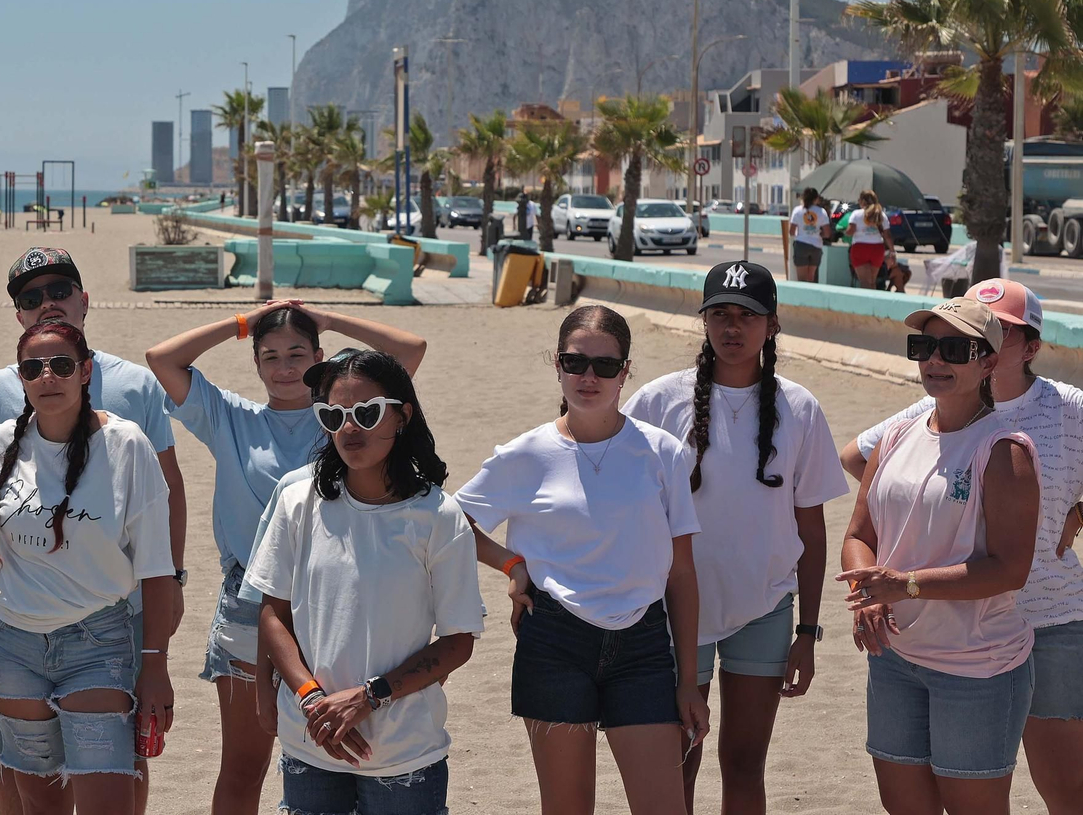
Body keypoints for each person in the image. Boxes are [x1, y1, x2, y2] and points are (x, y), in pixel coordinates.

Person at [0, 246, 187, 815]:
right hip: (13, 638)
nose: (47, 376)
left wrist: (160, 639)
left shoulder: (130, 415)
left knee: (115, 780)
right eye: (30, 297)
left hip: (103, 632)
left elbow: (163, 518)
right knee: (26, 787)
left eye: (59, 291)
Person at [145, 301, 427, 814]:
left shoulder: (347, 417)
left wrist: (331, 318)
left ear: (319, 357)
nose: (284, 367)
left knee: (343, 758)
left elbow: (410, 351)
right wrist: (242, 322)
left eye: (298, 353)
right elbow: (162, 359)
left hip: (337, 604)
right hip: (249, 605)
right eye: (270, 356)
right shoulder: (230, 416)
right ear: (255, 364)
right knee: (244, 766)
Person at [841, 279, 1083, 813]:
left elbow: (1007, 568)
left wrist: (1078, 512)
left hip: (1020, 634)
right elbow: (859, 526)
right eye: (923, 347)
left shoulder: (1046, 422)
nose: (934, 359)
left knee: (1063, 786)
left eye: (955, 348)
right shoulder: (902, 430)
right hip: (903, 649)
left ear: (993, 358)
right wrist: (871, 589)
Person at [454, 305, 708, 815]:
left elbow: (681, 574)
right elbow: (452, 524)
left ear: (626, 372)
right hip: (554, 642)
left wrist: (687, 682)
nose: (589, 377)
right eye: (575, 362)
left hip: (644, 646)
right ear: (557, 365)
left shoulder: (662, 452)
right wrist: (511, 565)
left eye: (606, 366)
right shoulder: (524, 454)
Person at [624, 261, 849, 813]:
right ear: (702, 321)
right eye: (719, 314)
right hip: (678, 613)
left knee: (745, 763)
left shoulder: (799, 407)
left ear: (772, 324)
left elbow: (811, 529)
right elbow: (614, 494)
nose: (733, 327)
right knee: (679, 758)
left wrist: (808, 631)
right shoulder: (657, 401)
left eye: (748, 315)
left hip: (766, 609)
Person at [249, 350, 483, 815]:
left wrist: (367, 699)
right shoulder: (299, 500)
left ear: (403, 415)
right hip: (310, 742)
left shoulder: (439, 517)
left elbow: (458, 642)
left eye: (367, 412)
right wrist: (311, 701)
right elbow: (273, 612)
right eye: (334, 415)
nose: (349, 428)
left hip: (405, 753)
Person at [846, 189, 894, 291]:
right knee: (872, 281)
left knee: (864, 282)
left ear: (862, 201)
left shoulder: (856, 214)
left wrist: (845, 232)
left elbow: (851, 231)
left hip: (860, 248)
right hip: (877, 249)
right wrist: (892, 251)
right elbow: (887, 235)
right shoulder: (881, 215)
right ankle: (873, 305)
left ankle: (865, 306)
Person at [788, 188, 829, 283]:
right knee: (811, 278)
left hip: (801, 244)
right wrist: (818, 233)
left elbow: (791, 231)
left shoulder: (797, 211)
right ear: (816, 198)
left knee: (802, 279)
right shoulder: (821, 212)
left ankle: (802, 297)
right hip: (816, 245)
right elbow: (827, 233)